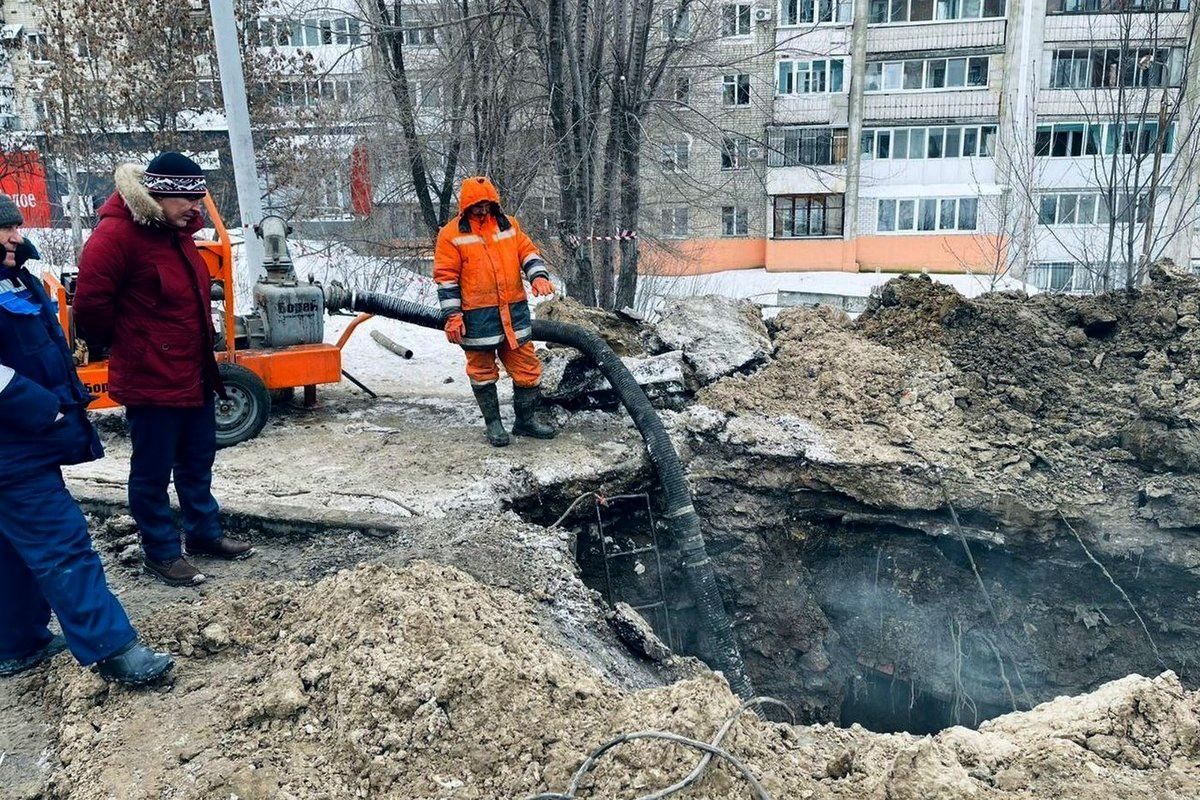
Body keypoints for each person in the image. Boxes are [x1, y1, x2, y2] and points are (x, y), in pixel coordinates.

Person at [0, 194, 173, 684]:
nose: (16, 235)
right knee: (63, 545)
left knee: (11, 547)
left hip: (23, 440)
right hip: (12, 447)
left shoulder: (14, 275)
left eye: (15, 225)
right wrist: (43, 407)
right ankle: (114, 650)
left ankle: (16, 641)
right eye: (5, 229)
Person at [74, 152, 252, 588]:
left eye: (198, 199)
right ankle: (161, 553)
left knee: (197, 461)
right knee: (151, 472)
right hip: (150, 376)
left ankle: (204, 535)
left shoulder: (177, 234)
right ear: (158, 194)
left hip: (191, 371)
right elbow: (91, 310)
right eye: (187, 200)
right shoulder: (115, 235)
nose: (196, 208)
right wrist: (137, 343)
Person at [434, 176, 558, 447]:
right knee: (481, 371)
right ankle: (494, 423)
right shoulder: (451, 235)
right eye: (476, 205)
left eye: (486, 204)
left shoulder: (509, 226)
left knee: (527, 369)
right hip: (477, 319)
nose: (481, 209)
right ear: (465, 206)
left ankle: (525, 421)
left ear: (494, 203)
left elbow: (528, 253)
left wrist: (538, 276)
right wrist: (453, 317)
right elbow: (447, 279)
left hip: (513, 314)